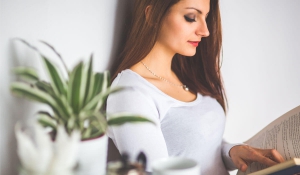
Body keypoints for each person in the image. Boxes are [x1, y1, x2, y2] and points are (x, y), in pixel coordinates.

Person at [106, 0, 285, 174]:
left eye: (206, 17)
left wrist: (231, 152)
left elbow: (194, 146)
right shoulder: (131, 92)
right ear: (152, 15)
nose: (205, 31)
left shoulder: (185, 74)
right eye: (191, 17)